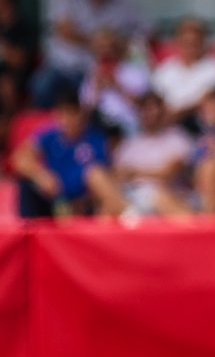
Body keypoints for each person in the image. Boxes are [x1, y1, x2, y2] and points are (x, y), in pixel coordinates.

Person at [32, 0, 150, 108]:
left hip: (95, 69)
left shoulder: (124, 3)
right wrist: (94, 41)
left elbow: (147, 31)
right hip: (62, 65)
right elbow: (62, 29)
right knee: (40, 86)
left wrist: (116, 42)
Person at [12, 89, 127, 218]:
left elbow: (105, 175)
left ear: (81, 115)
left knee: (95, 175)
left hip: (84, 203)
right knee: (26, 184)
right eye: (63, 114)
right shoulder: (49, 137)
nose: (68, 120)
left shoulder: (95, 140)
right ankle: (28, 230)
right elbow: (19, 159)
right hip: (55, 200)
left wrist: (84, 202)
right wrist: (40, 175)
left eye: (72, 114)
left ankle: (125, 212)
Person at [114, 93, 194, 217]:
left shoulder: (177, 137)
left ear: (163, 111)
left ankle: (198, 234)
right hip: (132, 197)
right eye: (145, 109)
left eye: (154, 108)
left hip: (169, 193)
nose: (150, 114)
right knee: (108, 203)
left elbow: (170, 173)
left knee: (158, 196)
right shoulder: (129, 144)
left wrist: (135, 173)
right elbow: (119, 175)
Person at [151, 16, 215, 132]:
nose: (190, 47)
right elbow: (157, 99)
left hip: (198, 123)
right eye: (186, 42)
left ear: (204, 42)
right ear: (177, 42)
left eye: (195, 43)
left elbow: (207, 99)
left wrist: (177, 114)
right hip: (167, 123)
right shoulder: (165, 69)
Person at [79, 28, 151, 136]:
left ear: (117, 49)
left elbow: (143, 106)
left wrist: (117, 86)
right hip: (100, 126)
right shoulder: (92, 76)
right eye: (100, 48)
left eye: (109, 47)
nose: (105, 52)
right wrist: (97, 88)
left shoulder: (134, 72)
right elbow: (85, 112)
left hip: (128, 125)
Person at [0, 0, 38, 116]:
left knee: (6, 84)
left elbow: (19, 61)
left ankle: (12, 123)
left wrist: (5, 50)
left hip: (20, 76)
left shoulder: (24, 26)